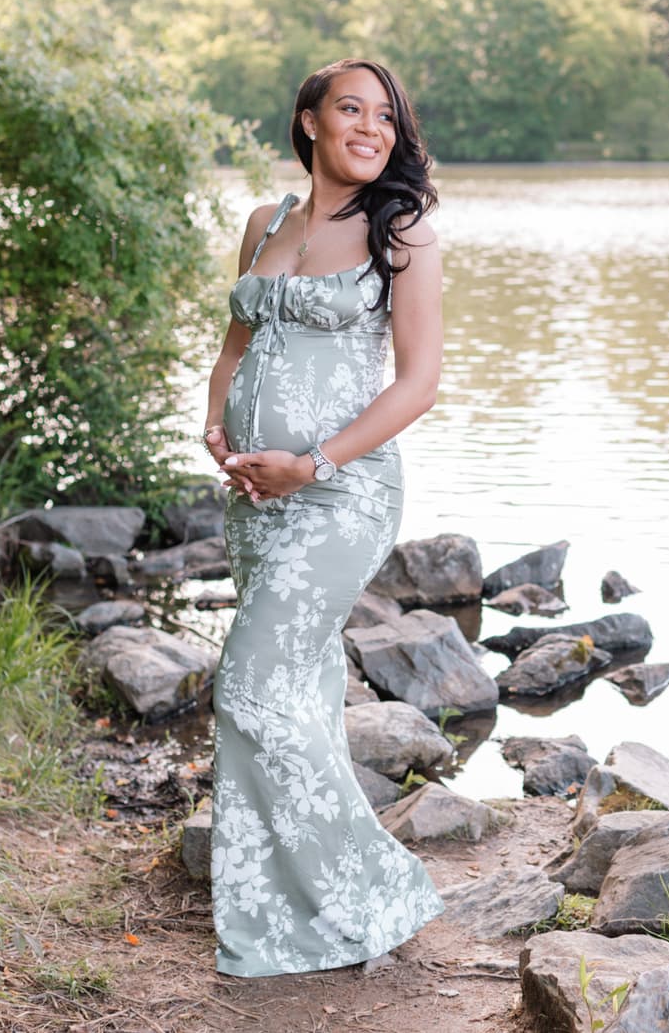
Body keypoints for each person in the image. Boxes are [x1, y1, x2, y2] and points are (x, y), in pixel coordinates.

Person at [199, 58, 448, 976]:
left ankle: (364, 891)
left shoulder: (403, 227)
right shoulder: (264, 223)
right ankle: (277, 908)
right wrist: (219, 433)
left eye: (386, 117)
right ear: (309, 123)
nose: (371, 129)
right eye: (351, 110)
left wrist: (313, 463)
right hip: (258, 499)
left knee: (250, 688)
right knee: (295, 694)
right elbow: (235, 348)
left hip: (342, 494)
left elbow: (419, 383)